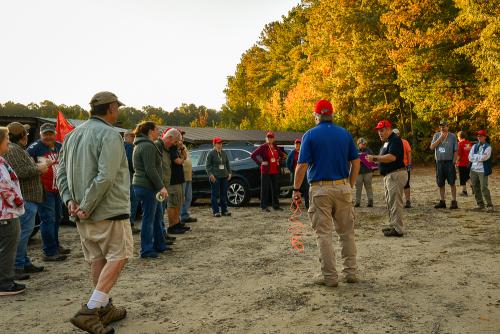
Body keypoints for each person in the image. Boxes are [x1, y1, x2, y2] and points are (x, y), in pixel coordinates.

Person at [57, 91, 132, 333]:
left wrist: (70, 201)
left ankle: (104, 307)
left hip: (81, 211)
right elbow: (106, 176)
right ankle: (91, 309)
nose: (118, 112)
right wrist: (86, 205)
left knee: (97, 258)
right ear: (111, 108)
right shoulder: (110, 134)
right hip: (106, 210)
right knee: (119, 255)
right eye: (117, 108)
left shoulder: (72, 136)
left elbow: (60, 173)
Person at [293, 99, 360, 287]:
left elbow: (302, 165)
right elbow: (356, 162)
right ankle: (350, 272)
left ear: (316, 116)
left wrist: (296, 189)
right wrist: (350, 184)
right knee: (347, 232)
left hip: (320, 189)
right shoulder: (344, 134)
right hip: (342, 186)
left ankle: (330, 277)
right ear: (331, 114)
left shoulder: (310, 135)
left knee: (323, 234)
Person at [3, 122, 46, 279]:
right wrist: (39, 168)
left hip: (28, 198)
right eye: (25, 133)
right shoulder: (14, 150)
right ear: (20, 135)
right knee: (23, 234)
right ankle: (18, 266)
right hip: (26, 198)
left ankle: (23, 262)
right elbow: (20, 172)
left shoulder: (15, 149)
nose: (27, 136)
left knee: (24, 233)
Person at [27, 123, 70, 261]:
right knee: (48, 219)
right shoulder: (34, 148)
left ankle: (55, 245)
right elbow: (27, 165)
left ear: (55, 134)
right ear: (40, 135)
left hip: (58, 187)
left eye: (51, 133)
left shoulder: (59, 146)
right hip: (44, 189)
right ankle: (49, 251)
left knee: (57, 217)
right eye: (45, 134)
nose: (48, 136)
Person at [132, 121, 169, 258]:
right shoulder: (147, 146)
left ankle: (159, 244)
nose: (159, 132)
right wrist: (161, 187)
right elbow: (150, 169)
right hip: (148, 187)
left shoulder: (142, 145)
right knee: (149, 218)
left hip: (146, 187)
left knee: (157, 215)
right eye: (157, 129)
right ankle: (146, 250)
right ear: (150, 131)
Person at [367, 120, 407, 237]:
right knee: (391, 202)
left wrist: (374, 158)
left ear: (389, 129)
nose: (380, 133)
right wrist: (373, 163)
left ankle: (398, 229)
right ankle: (393, 225)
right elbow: (383, 159)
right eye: (378, 131)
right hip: (390, 175)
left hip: (396, 174)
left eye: (382, 130)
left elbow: (391, 157)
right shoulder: (387, 142)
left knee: (395, 203)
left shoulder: (394, 140)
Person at [0, 126, 27, 296]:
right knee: (8, 248)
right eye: (6, 137)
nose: (9, 141)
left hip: (6, 212)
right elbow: (4, 186)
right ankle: (5, 284)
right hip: (6, 213)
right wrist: (18, 202)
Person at [251, 131, 287, 212]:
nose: (270, 139)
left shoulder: (274, 146)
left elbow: (283, 155)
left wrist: (280, 160)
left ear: (273, 139)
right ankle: (264, 206)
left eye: (271, 137)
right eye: (268, 137)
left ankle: (276, 206)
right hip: (266, 170)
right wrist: (260, 163)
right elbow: (253, 155)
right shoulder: (263, 146)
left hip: (274, 170)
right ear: (266, 138)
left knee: (275, 188)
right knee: (265, 188)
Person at [430, 120, 458, 209]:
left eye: (444, 126)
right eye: (441, 126)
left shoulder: (453, 136)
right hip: (439, 162)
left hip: (449, 162)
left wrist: (454, 161)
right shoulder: (436, 135)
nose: (442, 127)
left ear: (448, 127)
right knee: (440, 183)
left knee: (452, 182)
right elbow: (432, 147)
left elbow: (456, 150)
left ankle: (454, 201)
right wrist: (440, 138)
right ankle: (442, 201)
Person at [166, 133, 190, 234]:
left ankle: (177, 223)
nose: (181, 141)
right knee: (173, 204)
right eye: (179, 139)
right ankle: (172, 226)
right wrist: (182, 159)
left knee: (179, 202)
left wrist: (182, 148)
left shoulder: (177, 148)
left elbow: (185, 157)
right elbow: (178, 161)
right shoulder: (171, 149)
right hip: (173, 181)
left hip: (179, 179)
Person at [206, 137, 232, 217]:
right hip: (215, 177)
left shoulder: (224, 153)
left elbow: (227, 163)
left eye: (221, 143)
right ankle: (216, 211)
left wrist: (230, 173)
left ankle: (224, 211)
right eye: (218, 143)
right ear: (214, 144)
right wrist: (211, 175)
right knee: (215, 194)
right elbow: (207, 166)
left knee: (223, 194)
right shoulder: (211, 153)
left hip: (224, 176)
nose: (220, 145)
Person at [468, 130, 494, 212]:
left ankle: (490, 205)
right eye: (478, 136)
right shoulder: (474, 146)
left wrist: (475, 156)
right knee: (475, 187)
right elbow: (470, 157)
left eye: (481, 136)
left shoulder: (488, 147)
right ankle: (480, 204)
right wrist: (478, 157)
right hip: (473, 170)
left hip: (482, 170)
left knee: (483, 187)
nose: (479, 137)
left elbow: (485, 158)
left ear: (485, 137)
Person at [123, 130, 140, 234]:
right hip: (129, 176)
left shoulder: (119, 146)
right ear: (127, 136)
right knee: (133, 200)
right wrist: (135, 171)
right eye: (132, 136)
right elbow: (130, 162)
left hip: (122, 178)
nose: (134, 139)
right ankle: (130, 224)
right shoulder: (129, 146)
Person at [179, 129, 197, 223]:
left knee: (189, 197)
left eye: (182, 135)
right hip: (181, 177)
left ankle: (185, 215)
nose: (182, 137)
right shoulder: (176, 147)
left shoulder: (184, 146)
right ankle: (180, 217)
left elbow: (187, 159)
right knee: (181, 198)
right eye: (181, 135)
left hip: (188, 175)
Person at [286, 138, 309, 208]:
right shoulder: (292, 153)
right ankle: (295, 204)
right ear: (294, 145)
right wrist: (292, 170)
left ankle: (307, 204)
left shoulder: (304, 152)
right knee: (295, 189)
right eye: (296, 144)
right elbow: (287, 162)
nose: (297, 145)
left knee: (306, 188)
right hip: (295, 174)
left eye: (299, 144)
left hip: (304, 174)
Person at [393, 129, 413, 208]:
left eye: (396, 134)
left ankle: (408, 201)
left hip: (404, 167)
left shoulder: (404, 142)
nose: (395, 136)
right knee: (395, 185)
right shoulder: (390, 143)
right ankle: (396, 202)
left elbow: (409, 153)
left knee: (406, 184)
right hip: (393, 167)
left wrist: (409, 164)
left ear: (399, 134)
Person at [354, 138, 374, 208]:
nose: (364, 145)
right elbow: (351, 161)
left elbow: (373, 161)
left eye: (365, 144)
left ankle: (370, 201)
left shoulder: (369, 150)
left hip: (368, 172)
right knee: (358, 188)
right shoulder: (354, 151)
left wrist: (366, 159)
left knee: (368, 187)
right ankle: (357, 202)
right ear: (358, 144)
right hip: (358, 172)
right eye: (362, 144)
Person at [456, 131, 473, 196]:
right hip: (469, 162)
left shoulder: (459, 144)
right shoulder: (469, 143)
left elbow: (459, 154)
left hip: (462, 163)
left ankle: (465, 191)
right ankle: (470, 187)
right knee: (467, 176)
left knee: (463, 177)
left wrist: (456, 162)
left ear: (459, 137)